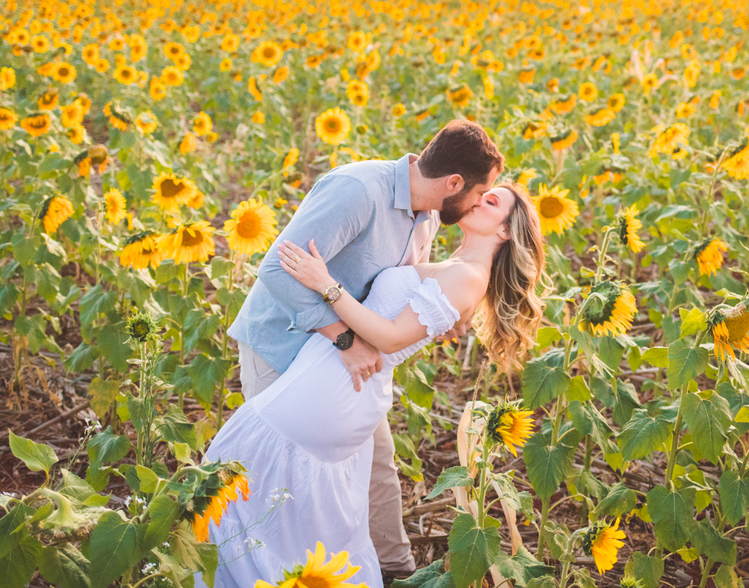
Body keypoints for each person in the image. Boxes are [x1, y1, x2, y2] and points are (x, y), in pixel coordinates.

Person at [199, 181, 545, 588]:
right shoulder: (456, 264)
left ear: (505, 230)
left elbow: (391, 338)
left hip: (336, 389)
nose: (477, 198)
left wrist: (325, 283)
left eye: (492, 201)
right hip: (338, 381)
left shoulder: (468, 277)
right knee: (279, 507)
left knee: (256, 490)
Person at [224, 120, 504, 576]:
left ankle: (397, 571)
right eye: (480, 193)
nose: (477, 203)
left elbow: (393, 287)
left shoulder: (428, 215)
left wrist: (444, 309)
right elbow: (277, 271)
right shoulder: (358, 190)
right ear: (454, 183)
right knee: (280, 475)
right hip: (284, 345)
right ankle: (265, 571)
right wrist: (343, 338)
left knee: (375, 467)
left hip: (345, 367)